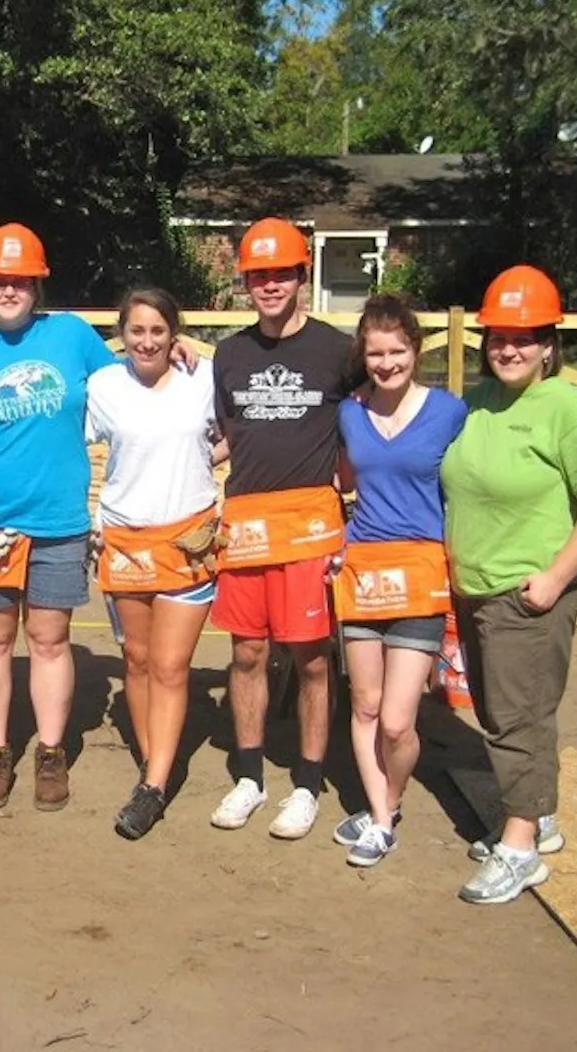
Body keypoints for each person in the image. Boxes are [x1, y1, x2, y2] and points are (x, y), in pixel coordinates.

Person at [441, 265, 577, 904]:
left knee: (519, 719)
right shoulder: (478, 403)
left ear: (550, 342)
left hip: (527, 594)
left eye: (524, 337)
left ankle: (519, 848)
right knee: (496, 713)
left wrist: (553, 578)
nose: (509, 349)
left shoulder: (570, 411)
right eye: (498, 338)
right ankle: (536, 813)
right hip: (475, 589)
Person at [0, 222, 117, 813]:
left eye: (20, 281)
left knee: (50, 638)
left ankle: (51, 752)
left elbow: (128, 385)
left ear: (37, 285)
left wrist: (177, 354)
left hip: (58, 518)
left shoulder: (72, 337)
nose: (8, 290)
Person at [208, 216, 356, 841]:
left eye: (281, 273)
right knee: (246, 653)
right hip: (246, 524)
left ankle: (307, 783)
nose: (269, 285)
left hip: (310, 526)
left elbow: (367, 431)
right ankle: (248, 776)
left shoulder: (338, 351)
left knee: (313, 661)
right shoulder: (231, 354)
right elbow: (223, 435)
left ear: (303, 275)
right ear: (246, 282)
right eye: (258, 275)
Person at [330, 295, 467, 867]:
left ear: (416, 350)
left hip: (420, 574)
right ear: (363, 354)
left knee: (397, 719)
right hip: (362, 570)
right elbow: (341, 481)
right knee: (363, 707)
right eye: (376, 352)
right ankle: (382, 819)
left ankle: (390, 798)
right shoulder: (350, 412)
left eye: (397, 351)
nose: (386, 363)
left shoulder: (449, 412)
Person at [87, 287, 224, 839]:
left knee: (171, 666)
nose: (147, 341)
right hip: (123, 542)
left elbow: (241, 432)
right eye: (136, 331)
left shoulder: (205, 377)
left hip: (188, 540)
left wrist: (200, 459)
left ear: (175, 334)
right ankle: (155, 766)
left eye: (158, 331)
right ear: (122, 335)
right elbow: (65, 442)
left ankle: (152, 787)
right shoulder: (102, 386)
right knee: (138, 662)